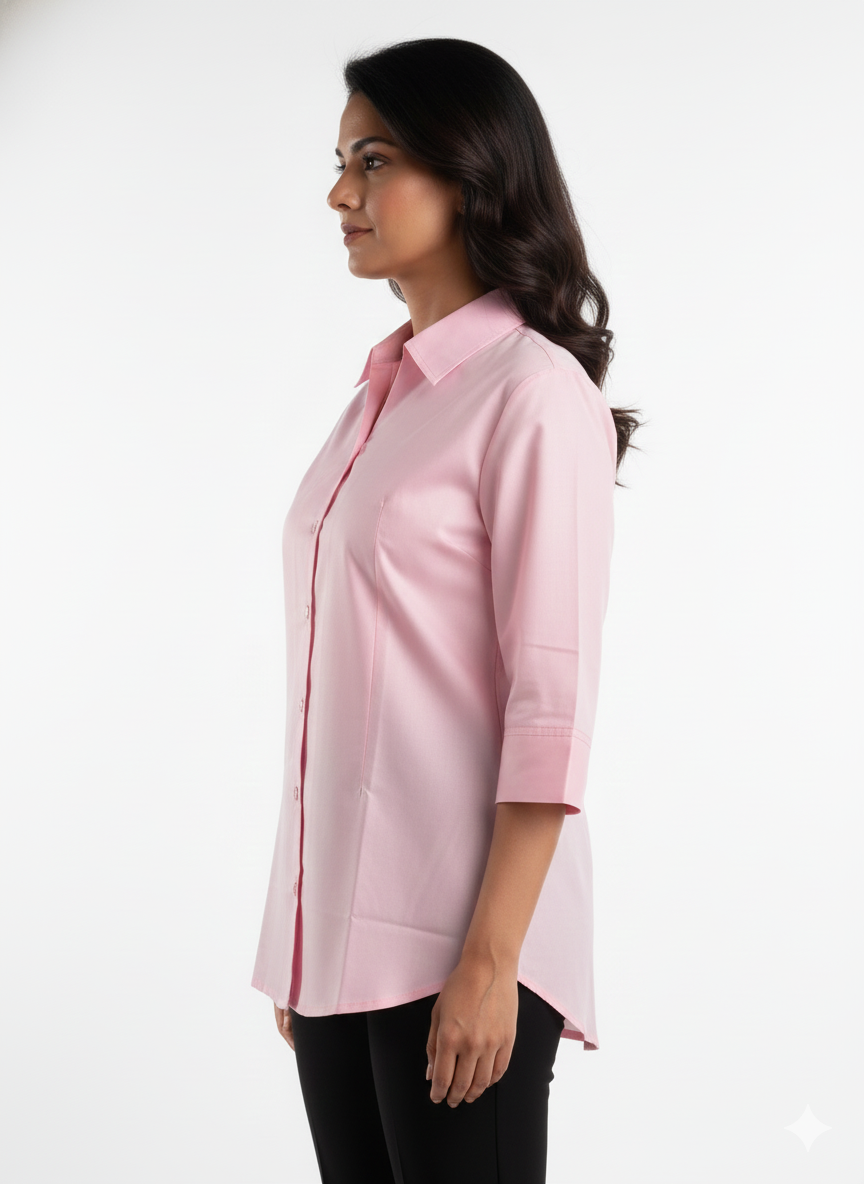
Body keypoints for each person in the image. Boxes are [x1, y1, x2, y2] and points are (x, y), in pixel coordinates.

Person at [251, 36, 641, 1184]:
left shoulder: (533, 394)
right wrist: (309, 934)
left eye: (372, 161)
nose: (340, 194)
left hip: (466, 942)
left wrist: (491, 958)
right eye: (339, 164)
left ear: (468, 171)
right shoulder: (378, 399)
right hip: (339, 946)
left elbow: (549, 702)